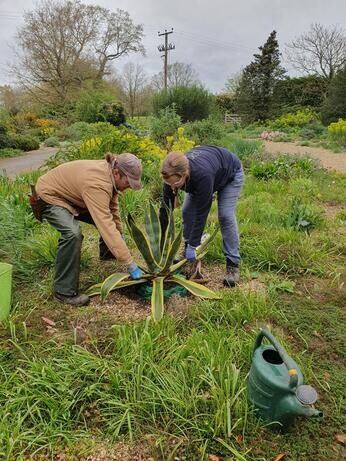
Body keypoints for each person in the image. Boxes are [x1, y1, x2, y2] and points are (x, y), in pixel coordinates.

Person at [34, 153, 143, 306]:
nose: (128, 187)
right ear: (117, 173)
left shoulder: (110, 174)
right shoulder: (97, 184)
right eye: (128, 182)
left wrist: (119, 234)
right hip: (49, 196)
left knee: (111, 227)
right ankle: (64, 291)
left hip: (72, 196)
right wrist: (129, 263)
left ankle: (108, 255)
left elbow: (112, 210)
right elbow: (105, 223)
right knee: (72, 234)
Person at [160, 146, 244, 287]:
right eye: (169, 183)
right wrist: (160, 240)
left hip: (230, 175)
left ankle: (232, 264)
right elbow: (165, 208)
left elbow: (202, 212)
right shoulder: (170, 176)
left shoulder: (201, 175)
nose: (173, 187)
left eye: (176, 183)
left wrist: (194, 245)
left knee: (225, 216)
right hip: (209, 172)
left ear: (185, 174)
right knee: (186, 211)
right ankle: (186, 248)